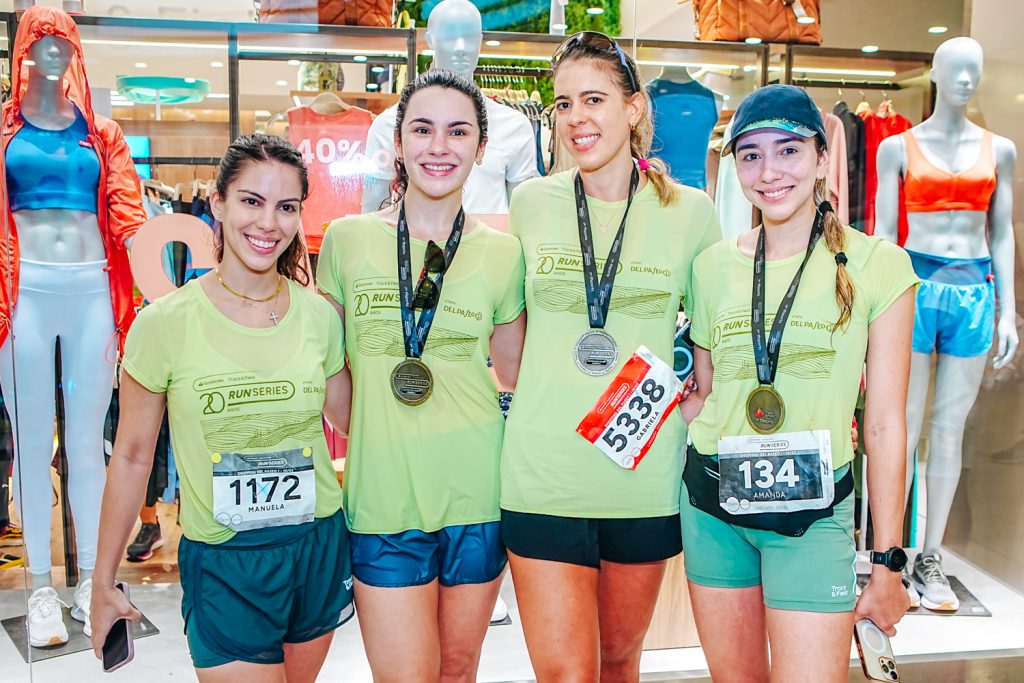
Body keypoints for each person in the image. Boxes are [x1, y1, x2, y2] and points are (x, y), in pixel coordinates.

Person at [90, 134, 354, 683]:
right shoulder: (164, 322)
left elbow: (354, 423)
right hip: (225, 563)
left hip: (316, 545)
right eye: (251, 201)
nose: (268, 223)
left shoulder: (319, 317)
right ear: (217, 203)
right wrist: (102, 579)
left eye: (286, 207)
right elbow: (134, 457)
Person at [499, 32, 720, 681]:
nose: (576, 119)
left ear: (633, 107)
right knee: (566, 672)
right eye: (563, 105)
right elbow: (509, 337)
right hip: (542, 472)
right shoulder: (531, 204)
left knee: (620, 660)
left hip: (641, 474)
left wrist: (685, 410)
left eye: (592, 98)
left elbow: (710, 352)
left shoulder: (692, 214)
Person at [679, 85, 917, 682]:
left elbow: (887, 424)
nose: (769, 171)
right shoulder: (710, 267)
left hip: (814, 519)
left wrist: (887, 563)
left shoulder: (878, 266)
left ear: (819, 157)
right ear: (735, 166)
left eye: (787, 150)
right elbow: (706, 390)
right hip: (713, 510)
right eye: (751, 155)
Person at [316, 69, 526, 683]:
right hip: (383, 501)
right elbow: (331, 371)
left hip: (478, 497)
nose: (440, 147)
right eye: (423, 130)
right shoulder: (347, 241)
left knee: (458, 670)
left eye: (458, 132)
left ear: (481, 149)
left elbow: (512, 374)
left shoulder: (503, 251)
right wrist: (383, 432)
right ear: (398, 143)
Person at [0, 6, 146, 647]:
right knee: (31, 442)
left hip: (90, 290)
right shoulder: (3, 133)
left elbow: (127, 212)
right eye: (42, 41)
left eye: (65, 41)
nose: (54, 52)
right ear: (23, 51)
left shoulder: (102, 134)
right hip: (23, 290)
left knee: (88, 444)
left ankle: (95, 581)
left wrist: (157, 280)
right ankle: (37, 588)